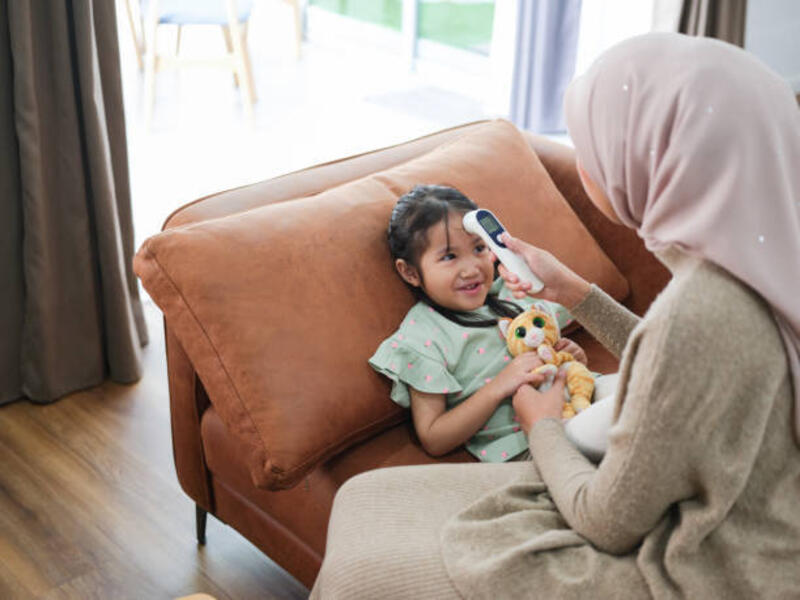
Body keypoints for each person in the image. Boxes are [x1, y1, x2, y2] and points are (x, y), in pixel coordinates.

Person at [311, 32, 800, 599]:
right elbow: (684, 362)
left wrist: (540, 422)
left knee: (359, 565)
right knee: (360, 499)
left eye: (591, 147)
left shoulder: (706, 307)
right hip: (743, 519)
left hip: (714, 564)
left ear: (654, 161)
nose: (585, 165)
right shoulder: (762, 260)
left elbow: (606, 522)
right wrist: (572, 290)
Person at [369, 184, 614, 463]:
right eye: (449, 257)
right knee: (643, 417)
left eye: (479, 248)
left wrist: (574, 356)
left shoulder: (513, 292)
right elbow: (434, 437)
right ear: (410, 272)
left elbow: (556, 345)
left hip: (587, 396)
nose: (472, 268)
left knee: (647, 393)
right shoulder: (424, 336)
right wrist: (500, 385)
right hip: (533, 440)